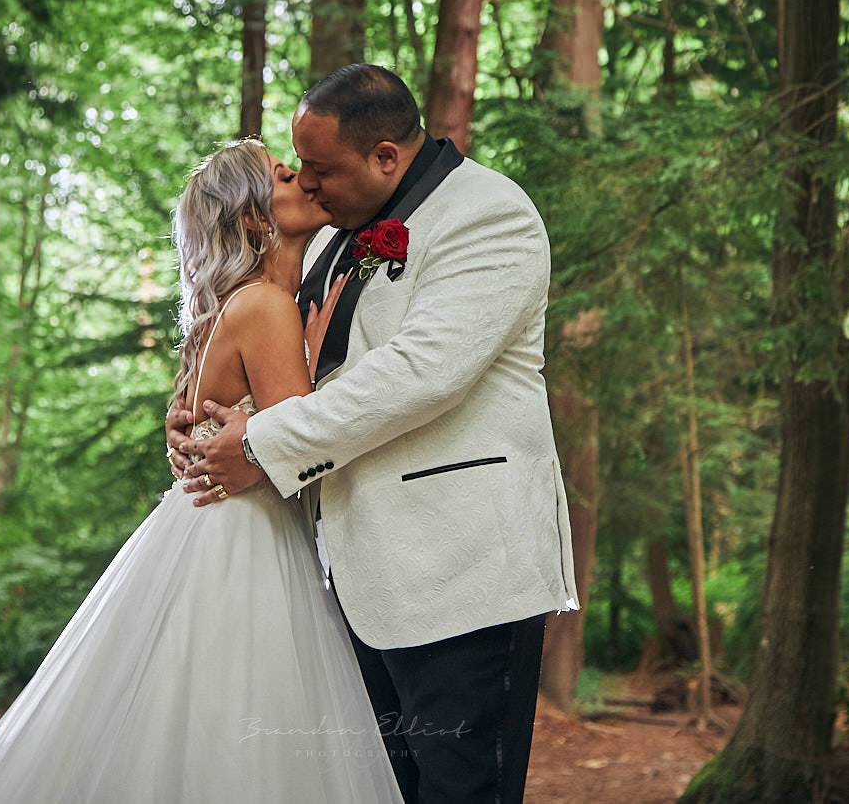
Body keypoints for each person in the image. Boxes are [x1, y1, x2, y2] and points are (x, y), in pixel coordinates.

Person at [0, 139, 401, 804]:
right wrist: (317, 351)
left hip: (209, 527)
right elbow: (301, 444)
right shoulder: (266, 307)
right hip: (247, 544)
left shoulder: (235, 305)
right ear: (255, 218)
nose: (304, 179)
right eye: (284, 175)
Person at [169, 64, 580, 804]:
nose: (308, 184)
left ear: (385, 156)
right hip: (353, 581)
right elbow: (300, 373)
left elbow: (423, 372)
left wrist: (259, 442)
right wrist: (206, 419)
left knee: (461, 791)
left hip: (462, 572)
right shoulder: (335, 240)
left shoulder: (489, 214)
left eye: (320, 169)